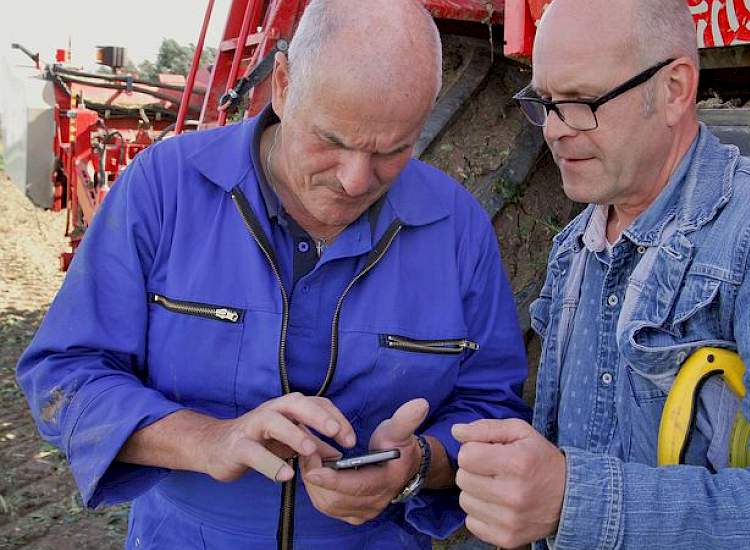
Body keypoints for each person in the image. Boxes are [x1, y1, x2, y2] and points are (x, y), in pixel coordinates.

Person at [16, 1, 529, 548]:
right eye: (332, 141)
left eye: (393, 150)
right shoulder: (165, 189)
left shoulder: (457, 228)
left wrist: (420, 464)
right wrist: (210, 440)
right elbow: (66, 374)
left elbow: (492, 405)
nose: (356, 180)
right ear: (282, 85)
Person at [451, 0, 750, 548]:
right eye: (545, 102)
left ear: (675, 89)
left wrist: (575, 501)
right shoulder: (578, 245)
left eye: (582, 101)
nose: (555, 131)